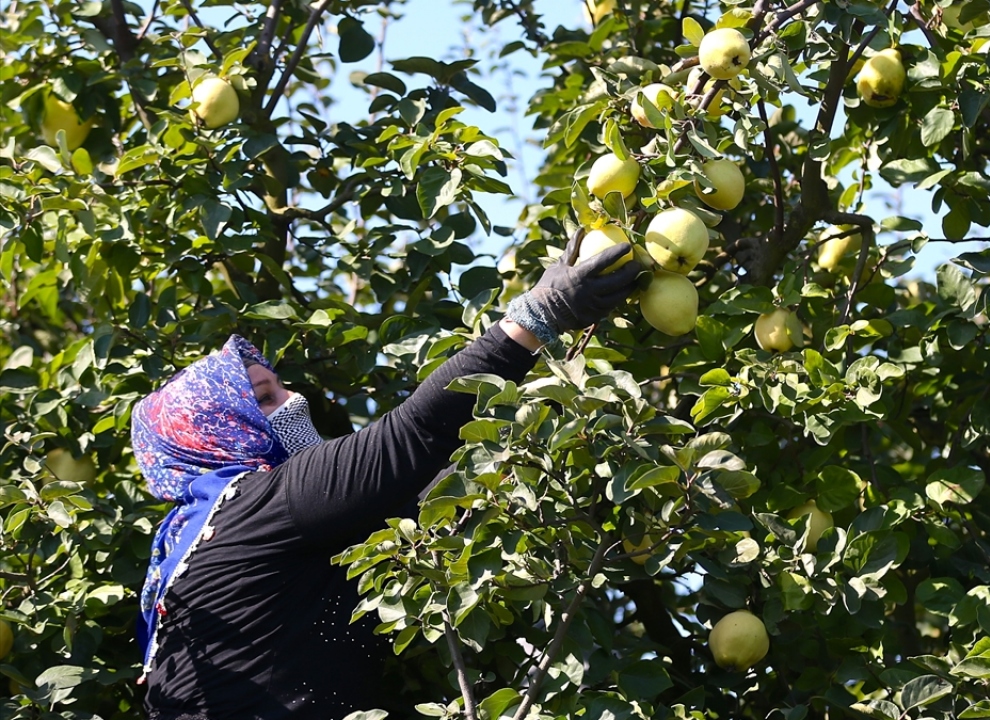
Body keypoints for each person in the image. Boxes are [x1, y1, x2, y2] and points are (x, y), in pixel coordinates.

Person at [130, 235, 640, 720]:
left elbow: (421, 494)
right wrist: (536, 318)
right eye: (265, 399)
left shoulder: (196, 543)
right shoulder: (254, 506)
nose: (294, 401)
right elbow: (414, 434)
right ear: (221, 427)